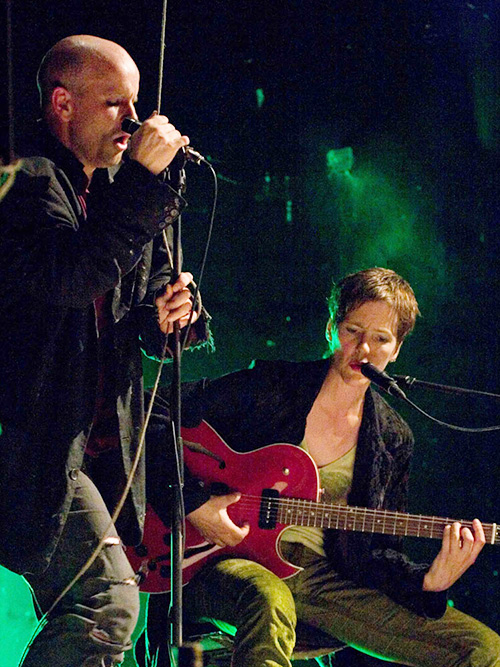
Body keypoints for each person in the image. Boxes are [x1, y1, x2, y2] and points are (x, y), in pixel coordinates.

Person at [140, 267, 499, 666]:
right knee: (269, 598)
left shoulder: (392, 439)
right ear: (331, 327)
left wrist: (430, 583)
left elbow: (377, 555)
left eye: (380, 339)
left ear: (396, 349)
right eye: (352, 331)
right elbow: (153, 406)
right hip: (215, 557)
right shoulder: (274, 386)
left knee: (483, 649)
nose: (363, 350)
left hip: (318, 578)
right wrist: (193, 502)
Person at [0, 35, 211, 667]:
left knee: (111, 605)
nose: (134, 121)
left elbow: (132, 311)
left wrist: (173, 313)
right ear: (62, 104)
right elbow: (67, 277)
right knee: (108, 600)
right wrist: (144, 184)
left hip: (91, 445)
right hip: (28, 440)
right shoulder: (22, 180)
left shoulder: (115, 191)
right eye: (115, 103)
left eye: (137, 103)